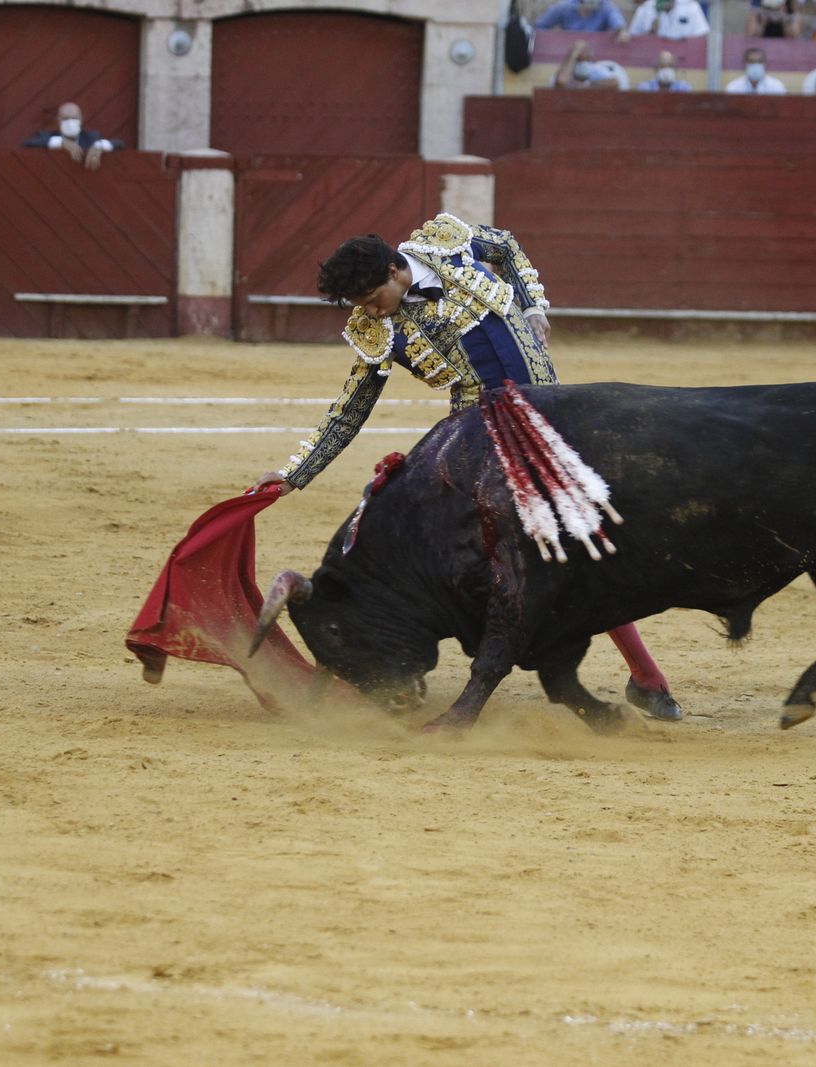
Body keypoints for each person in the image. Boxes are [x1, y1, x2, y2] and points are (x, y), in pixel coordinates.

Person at [252, 214, 686, 722]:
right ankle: (397, 659)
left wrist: (532, 305)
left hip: (554, 415)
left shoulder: (446, 243)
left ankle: (640, 675)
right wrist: (294, 473)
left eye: (373, 297)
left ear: (396, 270)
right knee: (542, 548)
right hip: (481, 440)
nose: (368, 311)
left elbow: (504, 244)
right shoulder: (376, 330)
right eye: (360, 306)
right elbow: (351, 408)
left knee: (585, 539)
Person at [21, 101, 124, 171]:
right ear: (58, 120)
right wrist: (62, 143)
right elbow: (27, 144)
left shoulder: (91, 138)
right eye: (65, 119)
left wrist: (99, 145)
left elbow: (120, 144)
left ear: (81, 119)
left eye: (74, 118)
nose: (70, 122)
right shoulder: (48, 136)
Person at [551, 39, 629, 89]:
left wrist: (586, 86)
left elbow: (614, 83)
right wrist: (573, 56)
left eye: (584, 51)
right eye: (578, 52)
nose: (581, 55)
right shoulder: (564, 70)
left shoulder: (594, 69)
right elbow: (560, 82)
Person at [620, 0, 711, 39]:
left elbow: (702, 36)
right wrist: (650, 32)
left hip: (684, 62)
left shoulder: (691, 6)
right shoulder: (645, 8)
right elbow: (633, 37)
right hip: (653, 63)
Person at [534, 0, 627, 32]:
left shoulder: (605, 5)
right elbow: (540, 27)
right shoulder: (565, 6)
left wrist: (620, 30)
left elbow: (616, 19)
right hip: (567, 52)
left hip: (595, 54)